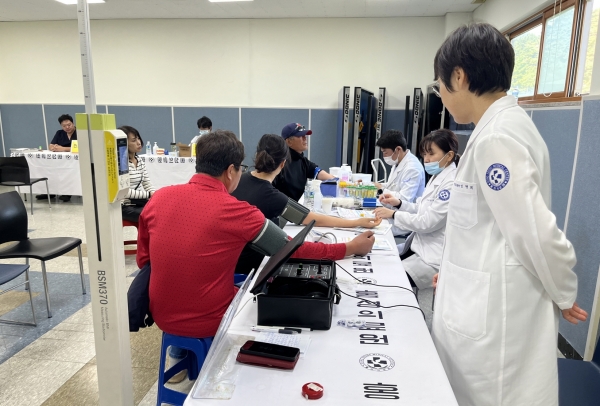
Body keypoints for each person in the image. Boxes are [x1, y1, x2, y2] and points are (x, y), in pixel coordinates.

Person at [430, 23, 587, 406]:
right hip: (478, 302)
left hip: (492, 324)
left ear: (458, 76)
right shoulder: (498, 128)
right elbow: (487, 227)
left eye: (439, 86)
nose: (442, 96)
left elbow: (534, 231)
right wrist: (452, 270)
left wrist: (564, 291)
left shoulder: (497, 137)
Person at [137, 130, 375, 383]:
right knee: (271, 301)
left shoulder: (159, 197)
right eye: (240, 168)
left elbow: (144, 261)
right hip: (209, 318)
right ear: (231, 171)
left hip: (161, 313)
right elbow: (292, 249)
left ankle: (178, 355)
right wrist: (349, 247)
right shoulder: (237, 211)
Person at [232, 133, 383, 274]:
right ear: (283, 164)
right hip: (247, 269)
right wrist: (354, 231)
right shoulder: (272, 197)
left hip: (232, 262)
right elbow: (308, 225)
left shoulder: (239, 181)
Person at [373, 129, 458, 290]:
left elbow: (427, 222)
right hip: (419, 244)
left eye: (431, 154)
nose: (426, 159)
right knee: (381, 260)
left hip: (432, 256)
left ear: (449, 155)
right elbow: (421, 207)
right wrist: (399, 203)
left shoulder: (450, 184)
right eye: (424, 154)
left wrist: (394, 214)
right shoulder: (438, 176)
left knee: (389, 279)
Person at [374, 130, 425, 235]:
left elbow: (404, 199)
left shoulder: (412, 168)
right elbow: (393, 185)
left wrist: (381, 189)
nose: (384, 156)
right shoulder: (399, 161)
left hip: (404, 217)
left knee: (373, 227)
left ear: (398, 149)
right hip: (392, 211)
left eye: (385, 152)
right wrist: (376, 186)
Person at [272, 122, 335, 201]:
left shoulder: (302, 160)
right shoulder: (279, 163)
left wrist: (340, 181)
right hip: (285, 207)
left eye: (305, 135)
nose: (305, 138)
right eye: (300, 136)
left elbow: (319, 173)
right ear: (289, 142)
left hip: (300, 206)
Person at [37, 114, 78, 201]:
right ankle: (50, 192)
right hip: (60, 161)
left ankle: (67, 193)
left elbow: (80, 147)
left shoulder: (80, 132)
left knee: (69, 172)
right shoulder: (59, 133)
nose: (67, 127)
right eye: (64, 126)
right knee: (49, 169)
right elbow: (51, 146)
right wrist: (54, 148)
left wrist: (63, 148)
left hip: (75, 162)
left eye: (69, 125)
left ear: (73, 123)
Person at [119, 126, 155, 223]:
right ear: (124, 143)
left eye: (138, 138)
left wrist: (154, 195)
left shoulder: (139, 160)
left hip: (138, 202)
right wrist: (148, 194)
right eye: (134, 140)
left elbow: (147, 184)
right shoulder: (121, 164)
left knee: (162, 209)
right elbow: (124, 192)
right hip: (125, 206)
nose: (139, 142)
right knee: (153, 215)